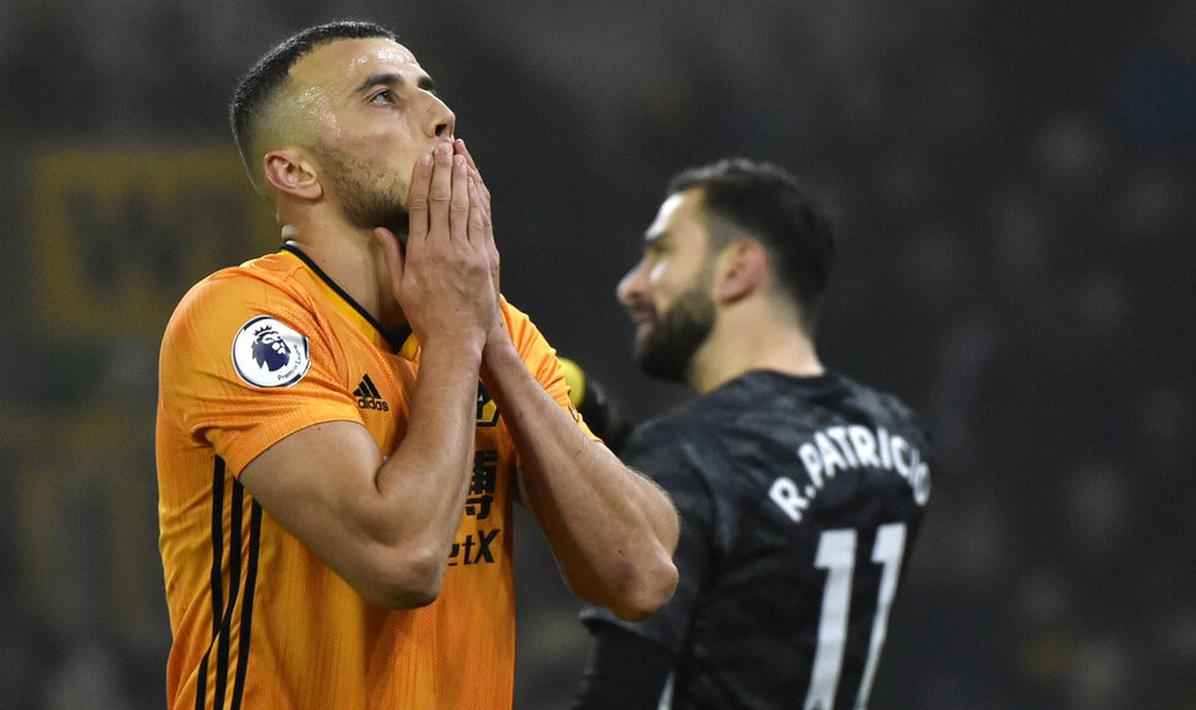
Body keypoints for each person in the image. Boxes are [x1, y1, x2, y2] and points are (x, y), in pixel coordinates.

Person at [155, 20, 679, 710]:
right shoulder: (247, 319)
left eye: (428, 92)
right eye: (382, 97)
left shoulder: (493, 331)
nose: (441, 115)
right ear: (296, 171)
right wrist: (462, 339)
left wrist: (489, 342)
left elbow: (640, 576)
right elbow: (401, 561)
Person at [573, 159, 933, 710]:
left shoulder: (693, 454)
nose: (632, 286)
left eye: (661, 252)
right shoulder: (900, 440)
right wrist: (596, 423)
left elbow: (617, 697)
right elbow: (751, 531)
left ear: (737, 270)